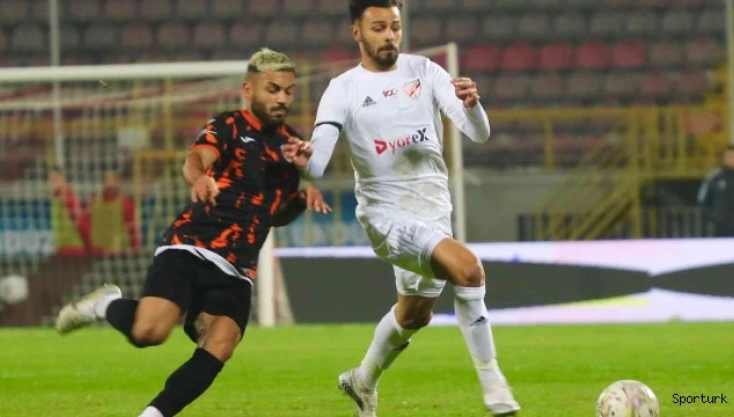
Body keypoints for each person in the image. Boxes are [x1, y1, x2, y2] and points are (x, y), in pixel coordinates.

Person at [54, 48, 331, 417]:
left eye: (288, 91)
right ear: (249, 90)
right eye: (273, 89)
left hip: (238, 267)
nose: (282, 98)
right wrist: (200, 178)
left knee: (221, 343)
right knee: (148, 333)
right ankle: (104, 304)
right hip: (192, 245)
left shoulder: (291, 147)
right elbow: (195, 159)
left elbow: (274, 215)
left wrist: (299, 200)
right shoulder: (228, 126)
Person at [284, 1, 520, 416]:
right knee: (468, 270)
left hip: (433, 209)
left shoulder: (425, 71)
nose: (390, 35)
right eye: (379, 27)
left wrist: (472, 106)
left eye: (394, 26)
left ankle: (362, 381)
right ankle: (493, 381)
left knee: (414, 316)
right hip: (386, 217)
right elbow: (317, 165)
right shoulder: (343, 88)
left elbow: (478, 133)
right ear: (357, 32)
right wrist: (304, 162)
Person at [84, 171, 140, 254]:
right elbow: (85, 224)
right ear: (103, 183)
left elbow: (133, 229)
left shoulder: (126, 203)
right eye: (107, 180)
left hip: (119, 251)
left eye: (113, 180)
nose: (109, 183)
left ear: (118, 182)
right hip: (97, 251)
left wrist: (135, 249)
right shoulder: (94, 201)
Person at [697, 145, 734, 237]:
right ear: (724, 158)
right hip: (720, 228)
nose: (731, 159)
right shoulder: (714, 177)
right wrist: (713, 218)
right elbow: (702, 199)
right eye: (729, 156)